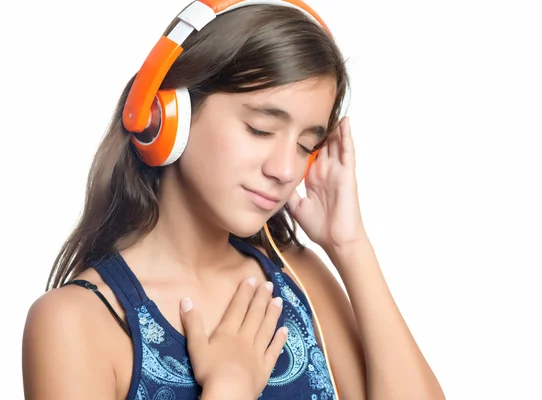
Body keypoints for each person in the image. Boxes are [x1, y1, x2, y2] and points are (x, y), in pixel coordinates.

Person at [22, 1, 446, 399]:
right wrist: (229, 388)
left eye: (305, 145)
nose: (284, 169)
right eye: (260, 129)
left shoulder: (299, 281)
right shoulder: (74, 323)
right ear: (169, 117)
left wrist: (350, 248)